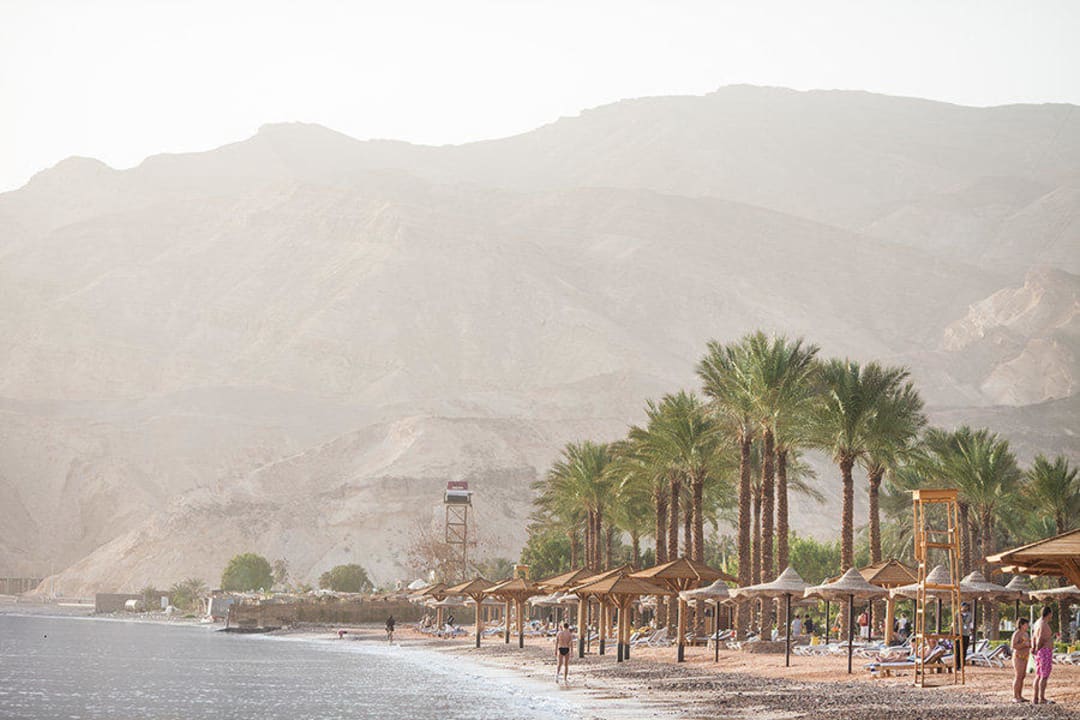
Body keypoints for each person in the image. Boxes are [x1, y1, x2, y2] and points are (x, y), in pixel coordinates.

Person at [1031, 606, 1054, 704]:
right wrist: (1037, 648)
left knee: (1038, 675)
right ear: (1049, 613)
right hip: (1044, 651)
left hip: (1041, 651)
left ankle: (1035, 697)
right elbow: (1040, 637)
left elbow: (1033, 636)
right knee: (1044, 675)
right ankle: (1042, 698)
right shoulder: (1043, 624)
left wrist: (1034, 648)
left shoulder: (1037, 623)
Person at [1010, 617, 1031, 703]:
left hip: (1025, 656)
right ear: (1022, 625)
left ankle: (1020, 695)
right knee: (1018, 676)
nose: (1028, 626)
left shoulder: (1026, 634)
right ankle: (1015, 696)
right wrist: (1024, 644)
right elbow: (1013, 646)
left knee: (1022, 676)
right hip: (1018, 656)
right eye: (1026, 624)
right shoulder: (1017, 633)